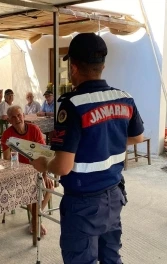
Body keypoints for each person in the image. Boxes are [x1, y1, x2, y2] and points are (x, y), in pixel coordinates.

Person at [31, 33, 144, 264]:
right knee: (111, 258)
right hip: (114, 195)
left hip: (84, 203)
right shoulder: (124, 98)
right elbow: (137, 136)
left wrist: (42, 163)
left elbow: (62, 166)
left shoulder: (72, 104)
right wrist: (102, 142)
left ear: (73, 67)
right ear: (102, 65)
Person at [0, 105, 54, 235]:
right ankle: (37, 221)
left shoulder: (34, 129)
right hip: (19, 172)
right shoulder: (7, 135)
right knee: (27, 192)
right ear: (9, 121)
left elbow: (44, 154)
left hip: (38, 169)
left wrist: (45, 175)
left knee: (50, 187)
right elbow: (6, 159)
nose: (17, 118)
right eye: (13, 117)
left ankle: (35, 219)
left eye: (19, 115)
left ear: (23, 116)